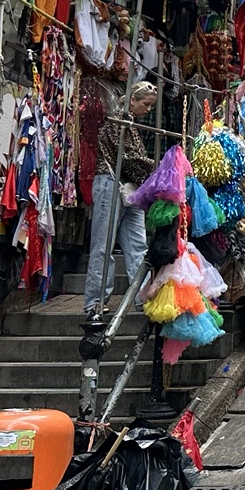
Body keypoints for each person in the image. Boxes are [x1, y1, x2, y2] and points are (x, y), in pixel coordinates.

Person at [85, 81, 159, 324]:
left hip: (130, 187)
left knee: (138, 244)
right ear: (132, 101)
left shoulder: (130, 124)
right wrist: (156, 169)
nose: (148, 109)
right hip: (111, 182)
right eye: (146, 104)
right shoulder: (118, 122)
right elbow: (127, 158)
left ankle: (142, 297)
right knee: (104, 244)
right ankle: (95, 302)